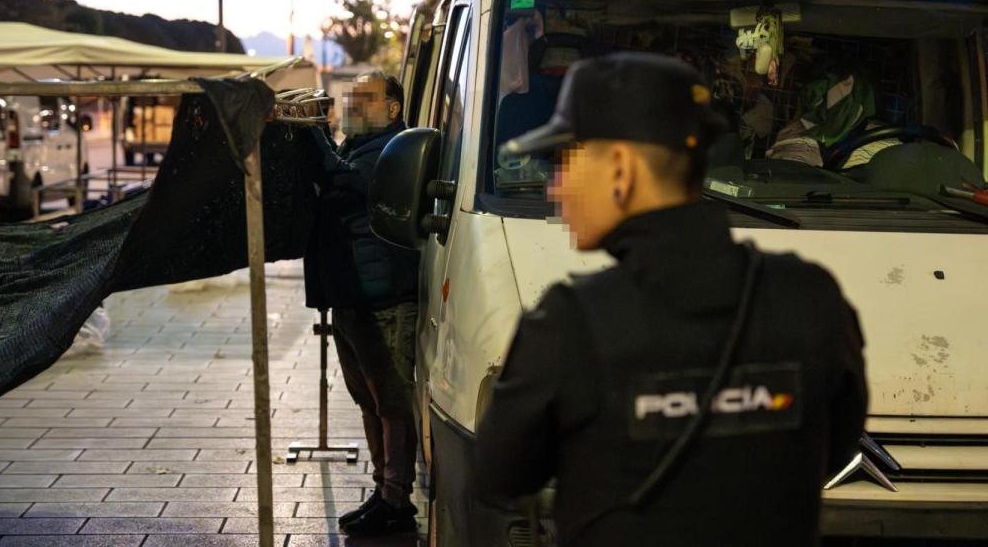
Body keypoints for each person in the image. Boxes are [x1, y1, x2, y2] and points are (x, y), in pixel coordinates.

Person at [474, 53, 868, 546]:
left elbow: (500, 475)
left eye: (563, 162)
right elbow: (835, 446)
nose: (554, 188)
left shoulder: (571, 321)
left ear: (620, 169)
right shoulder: (811, 296)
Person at [304, 71, 421, 537]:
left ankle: (396, 499)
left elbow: (338, 178)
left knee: (391, 401)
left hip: (383, 298)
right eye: (351, 97)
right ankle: (383, 491)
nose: (353, 105)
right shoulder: (355, 146)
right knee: (370, 401)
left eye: (365, 98)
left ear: (392, 108)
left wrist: (309, 130)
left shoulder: (394, 150)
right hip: (353, 295)